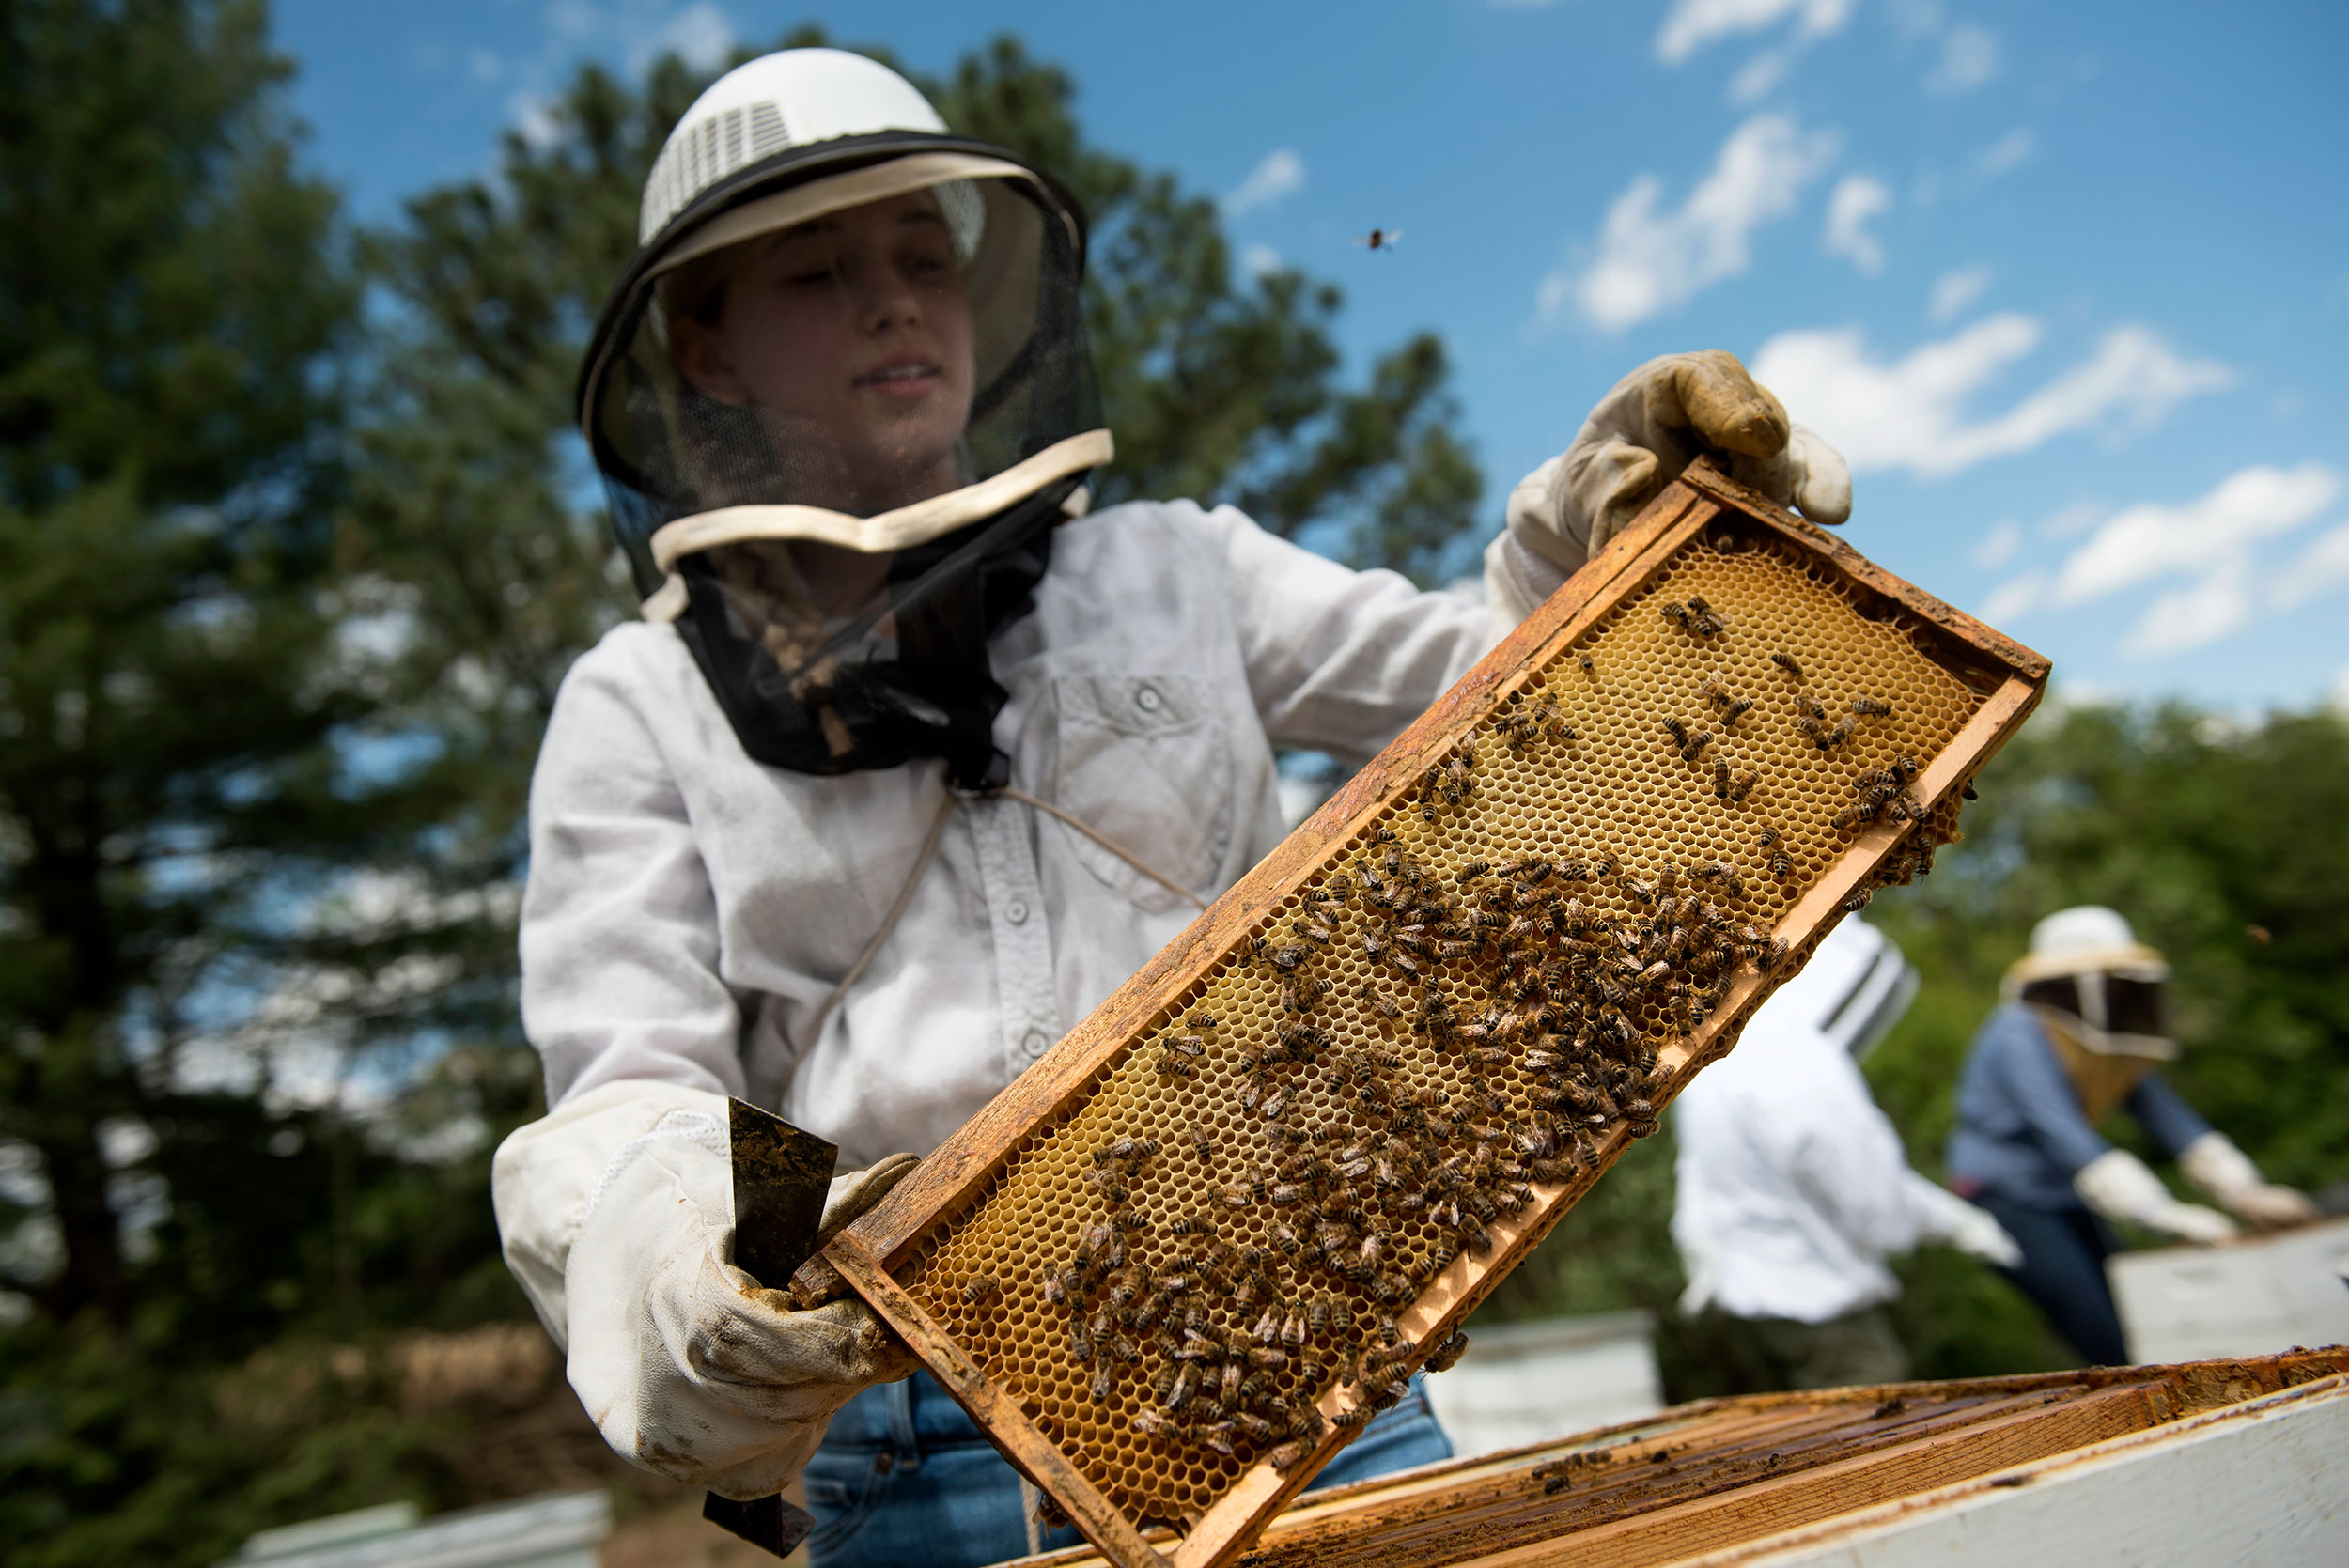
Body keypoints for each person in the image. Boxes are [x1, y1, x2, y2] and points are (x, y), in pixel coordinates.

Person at [488, 48, 1855, 1568]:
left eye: (922, 255)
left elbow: (1502, 690)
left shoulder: (1172, 570)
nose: (892, 301)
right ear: (706, 347)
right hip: (917, 1426)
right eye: (816, 270)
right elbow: (637, 1095)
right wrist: (706, 1258)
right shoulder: (639, 702)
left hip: (1294, 1347)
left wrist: (1614, 529)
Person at [1946, 906, 2318, 1367]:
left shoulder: (2100, 1038)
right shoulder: (2016, 1033)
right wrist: (2163, 1213)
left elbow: (2165, 1114)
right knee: (2100, 1329)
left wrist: (2243, 1189)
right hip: (2004, 1197)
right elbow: (2061, 1132)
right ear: (2073, 983)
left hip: (2062, 1190)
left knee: (2138, 1314)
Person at [1672, 918, 2020, 1390]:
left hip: (1749, 1297)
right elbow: (1870, 1197)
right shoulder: (1800, 1067)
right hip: (1814, 1299)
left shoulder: (1721, 1055)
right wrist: (1934, 1225)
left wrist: (1947, 1216)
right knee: (1877, 1425)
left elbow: (1706, 1172)